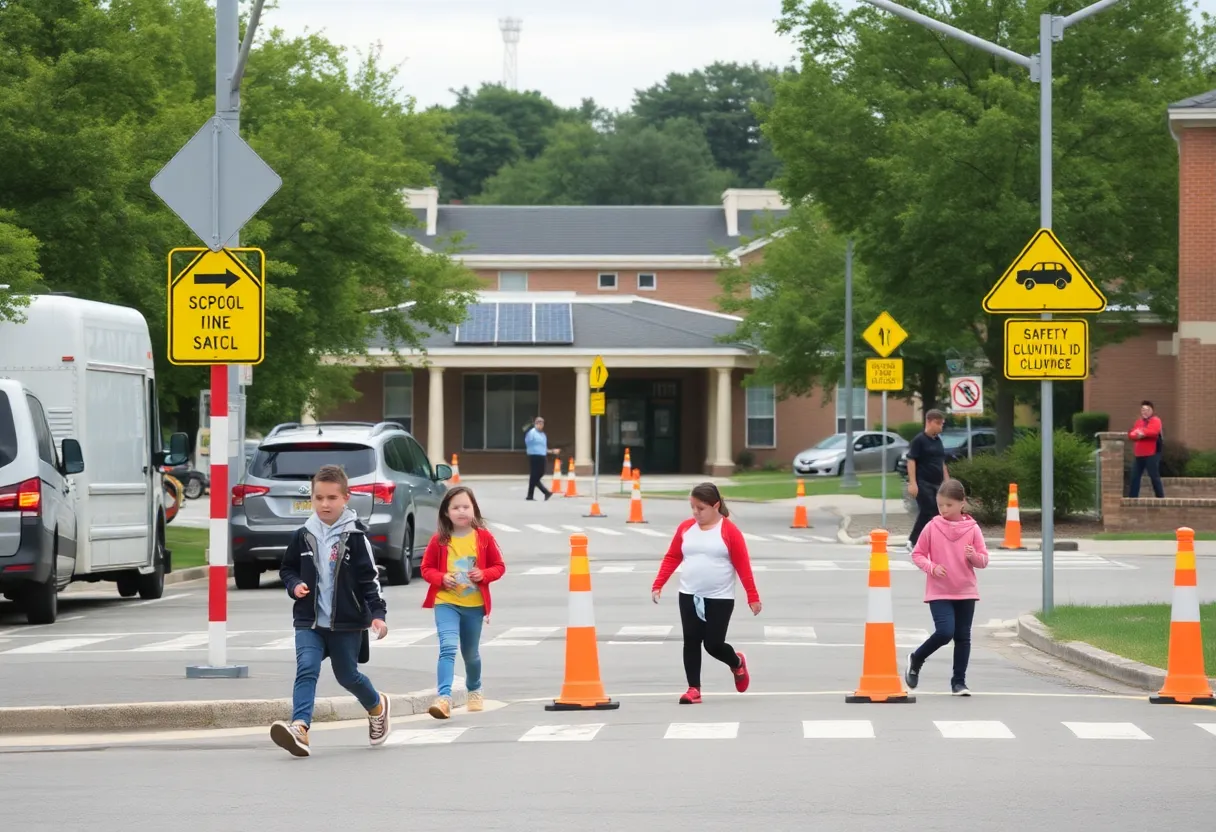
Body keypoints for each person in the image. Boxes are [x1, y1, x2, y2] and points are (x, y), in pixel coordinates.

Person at [271, 464, 391, 757]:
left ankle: (376, 706)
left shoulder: (355, 536)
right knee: (307, 668)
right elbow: (286, 568)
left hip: (347, 622)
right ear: (312, 499)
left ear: (346, 498)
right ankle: (300, 728)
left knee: (347, 675)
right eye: (319, 498)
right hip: (309, 620)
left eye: (332, 498)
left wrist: (378, 614)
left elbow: (368, 579)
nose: (325, 504)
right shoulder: (303, 535)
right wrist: (295, 584)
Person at [651, 482, 762, 705]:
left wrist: (752, 596)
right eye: (693, 507)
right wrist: (658, 583)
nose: (695, 513)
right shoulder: (686, 528)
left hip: (719, 597)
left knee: (713, 644)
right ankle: (694, 689)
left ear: (715, 506)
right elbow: (673, 556)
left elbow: (742, 565)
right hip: (689, 594)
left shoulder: (729, 531)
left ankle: (737, 662)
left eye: (700, 508)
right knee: (691, 641)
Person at [420, 485, 506, 719]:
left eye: (466, 506)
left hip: (474, 606)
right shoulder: (439, 540)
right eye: (455, 507)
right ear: (446, 513)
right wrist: (441, 578)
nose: (461, 511)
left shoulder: (484, 538)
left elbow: (499, 567)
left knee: (471, 654)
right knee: (447, 647)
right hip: (446, 602)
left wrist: (484, 574)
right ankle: (444, 698)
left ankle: (475, 688)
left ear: (474, 510)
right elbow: (425, 568)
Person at [904, 478, 989, 697]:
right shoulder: (933, 526)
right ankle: (917, 658)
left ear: (962, 503)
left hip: (966, 591)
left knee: (962, 637)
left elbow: (983, 560)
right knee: (944, 632)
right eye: (940, 505)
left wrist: (973, 556)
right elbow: (918, 554)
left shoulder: (972, 528)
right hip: (939, 591)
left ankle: (958, 683)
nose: (943, 509)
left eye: (948, 505)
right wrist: (931, 568)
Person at [905, 409, 949, 553]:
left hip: (937, 483)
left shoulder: (938, 441)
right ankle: (913, 540)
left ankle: (930, 542)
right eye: (938, 423)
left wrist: (947, 481)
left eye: (942, 424)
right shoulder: (919, 440)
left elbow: (941, 462)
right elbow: (911, 460)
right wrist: (913, 483)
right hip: (923, 482)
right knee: (927, 510)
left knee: (937, 513)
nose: (940, 427)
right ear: (929, 421)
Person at [1127, 400, 1165, 498]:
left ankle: (1160, 498)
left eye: (1147, 409)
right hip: (1139, 454)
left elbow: (1153, 432)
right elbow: (1131, 434)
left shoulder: (1156, 420)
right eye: (1143, 409)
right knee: (1134, 477)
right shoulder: (1138, 422)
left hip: (1152, 453)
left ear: (1152, 410)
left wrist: (1142, 433)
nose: (1145, 411)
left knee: (1154, 476)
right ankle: (1132, 499)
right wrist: (1138, 434)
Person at [523, 416, 561, 501]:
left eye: (542, 423)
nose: (540, 425)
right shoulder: (532, 433)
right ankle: (545, 492)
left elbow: (544, 448)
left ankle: (530, 495)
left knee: (538, 474)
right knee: (535, 476)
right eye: (539, 423)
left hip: (542, 456)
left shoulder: (543, 435)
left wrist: (552, 451)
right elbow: (527, 441)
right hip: (534, 456)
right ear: (535, 424)